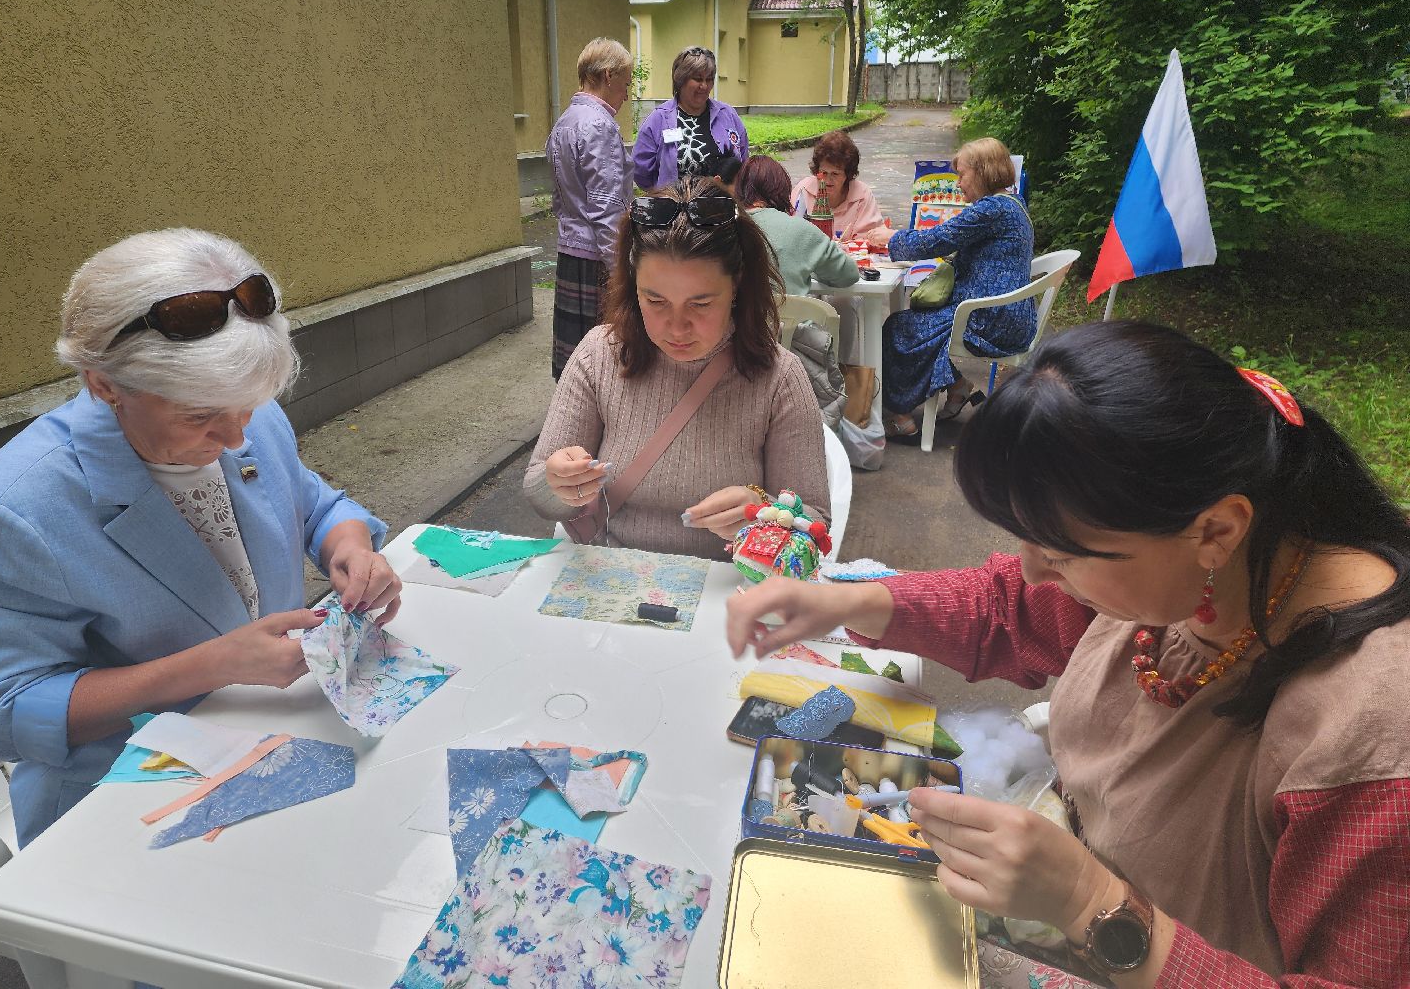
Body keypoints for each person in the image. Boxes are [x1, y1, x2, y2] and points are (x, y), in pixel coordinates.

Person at [727, 320, 1410, 987]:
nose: (1030, 571)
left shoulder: (1373, 743)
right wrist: (853, 603)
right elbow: (1009, 608)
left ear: (1217, 530)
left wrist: (1089, 901)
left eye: (1060, 554)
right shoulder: (1198, 571)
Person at [0, 229, 399, 847]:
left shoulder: (242, 409)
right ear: (104, 385)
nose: (233, 438)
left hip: (272, 739)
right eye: (199, 417)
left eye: (249, 408)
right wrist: (212, 665)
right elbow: (8, 711)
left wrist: (351, 547)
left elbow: (311, 504)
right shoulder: (13, 508)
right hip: (124, 796)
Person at [524, 177, 829, 560]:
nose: (677, 327)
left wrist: (765, 511)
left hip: (730, 590)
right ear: (634, 286)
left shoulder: (779, 377)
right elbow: (540, 492)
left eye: (701, 304)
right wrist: (559, 484)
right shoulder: (599, 354)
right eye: (656, 301)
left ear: (735, 286)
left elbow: (814, 528)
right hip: (613, 578)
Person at [873, 137, 1033, 442]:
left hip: (990, 318)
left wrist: (890, 237)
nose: (958, 184)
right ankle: (957, 386)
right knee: (919, 321)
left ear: (983, 172)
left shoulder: (991, 209)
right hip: (1011, 314)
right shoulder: (1012, 204)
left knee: (899, 327)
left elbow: (938, 239)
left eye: (962, 175)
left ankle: (900, 416)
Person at [545, 37, 635, 379]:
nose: (626, 96)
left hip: (571, 253)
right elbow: (606, 209)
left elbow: (558, 199)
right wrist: (619, 273)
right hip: (596, 260)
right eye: (625, 84)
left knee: (575, 363)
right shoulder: (599, 125)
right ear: (608, 76)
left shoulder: (564, 122)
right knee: (601, 363)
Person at [736, 155, 859, 294]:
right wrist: (810, 266)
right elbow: (849, 275)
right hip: (793, 315)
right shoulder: (801, 230)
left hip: (739, 315)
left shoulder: (723, 226)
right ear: (781, 189)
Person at [632, 47, 748, 192]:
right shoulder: (659, 119)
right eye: (698, 79)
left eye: (709, 79)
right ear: (680, 79)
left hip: (721, 208)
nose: (704, 86)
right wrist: (663, 195)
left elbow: (744, 160)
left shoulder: (728, 114)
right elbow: (641, 171)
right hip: (675, 210)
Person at [789, 130, 885, 240]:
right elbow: (791, 233)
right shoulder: (804, 190)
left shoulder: (862, 195)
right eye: (823, 173)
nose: (828, 180)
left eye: (835, 173)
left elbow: (871, 238)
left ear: (847, 174)